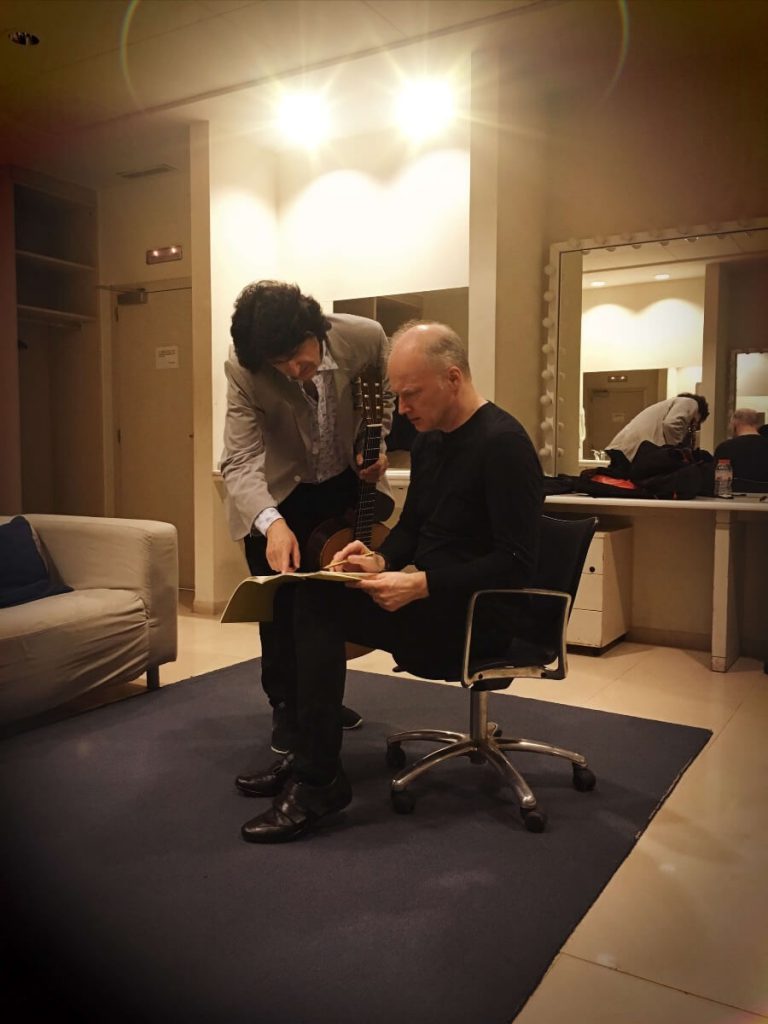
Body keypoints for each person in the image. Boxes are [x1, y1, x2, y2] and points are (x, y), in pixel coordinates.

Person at [235, 320, 544, 844]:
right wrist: (378, 559)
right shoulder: (430, 442)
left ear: (452, 378)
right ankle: (312, 759)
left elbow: (516, 563)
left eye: (410, 394)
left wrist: (422, 584)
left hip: (477, 617)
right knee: (306, 591)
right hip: (430, 600)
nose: (401, 409)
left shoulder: (504, 444)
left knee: (318, 608)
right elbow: (415, 527)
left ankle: (317, 781)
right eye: (396, 395)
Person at [220, 281, 393, 754]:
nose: (295, 373)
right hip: (278, 494)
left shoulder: (365, 337)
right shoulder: (243, 367)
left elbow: (386, 389)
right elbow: (238, 461)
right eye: (280, 367)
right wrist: (271, 523)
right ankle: (285, 706)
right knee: (278, 611)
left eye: (299, 358)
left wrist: (377, 442)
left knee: (329, 606)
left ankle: (320, 702)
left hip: (339, 484)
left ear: (315, 330)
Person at [605, 392, 710, 476]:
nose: (693, 427)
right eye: (697, 422)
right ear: (699, 414)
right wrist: (677, 452)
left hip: (625, 449)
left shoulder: (667, 405)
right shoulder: (690, 402)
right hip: (634, 452)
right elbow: (671, 424)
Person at [714, 408, 768, 485]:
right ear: (757, 424)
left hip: (736, 494)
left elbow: (721, 480)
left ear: (734, 423)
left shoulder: (725, 448)